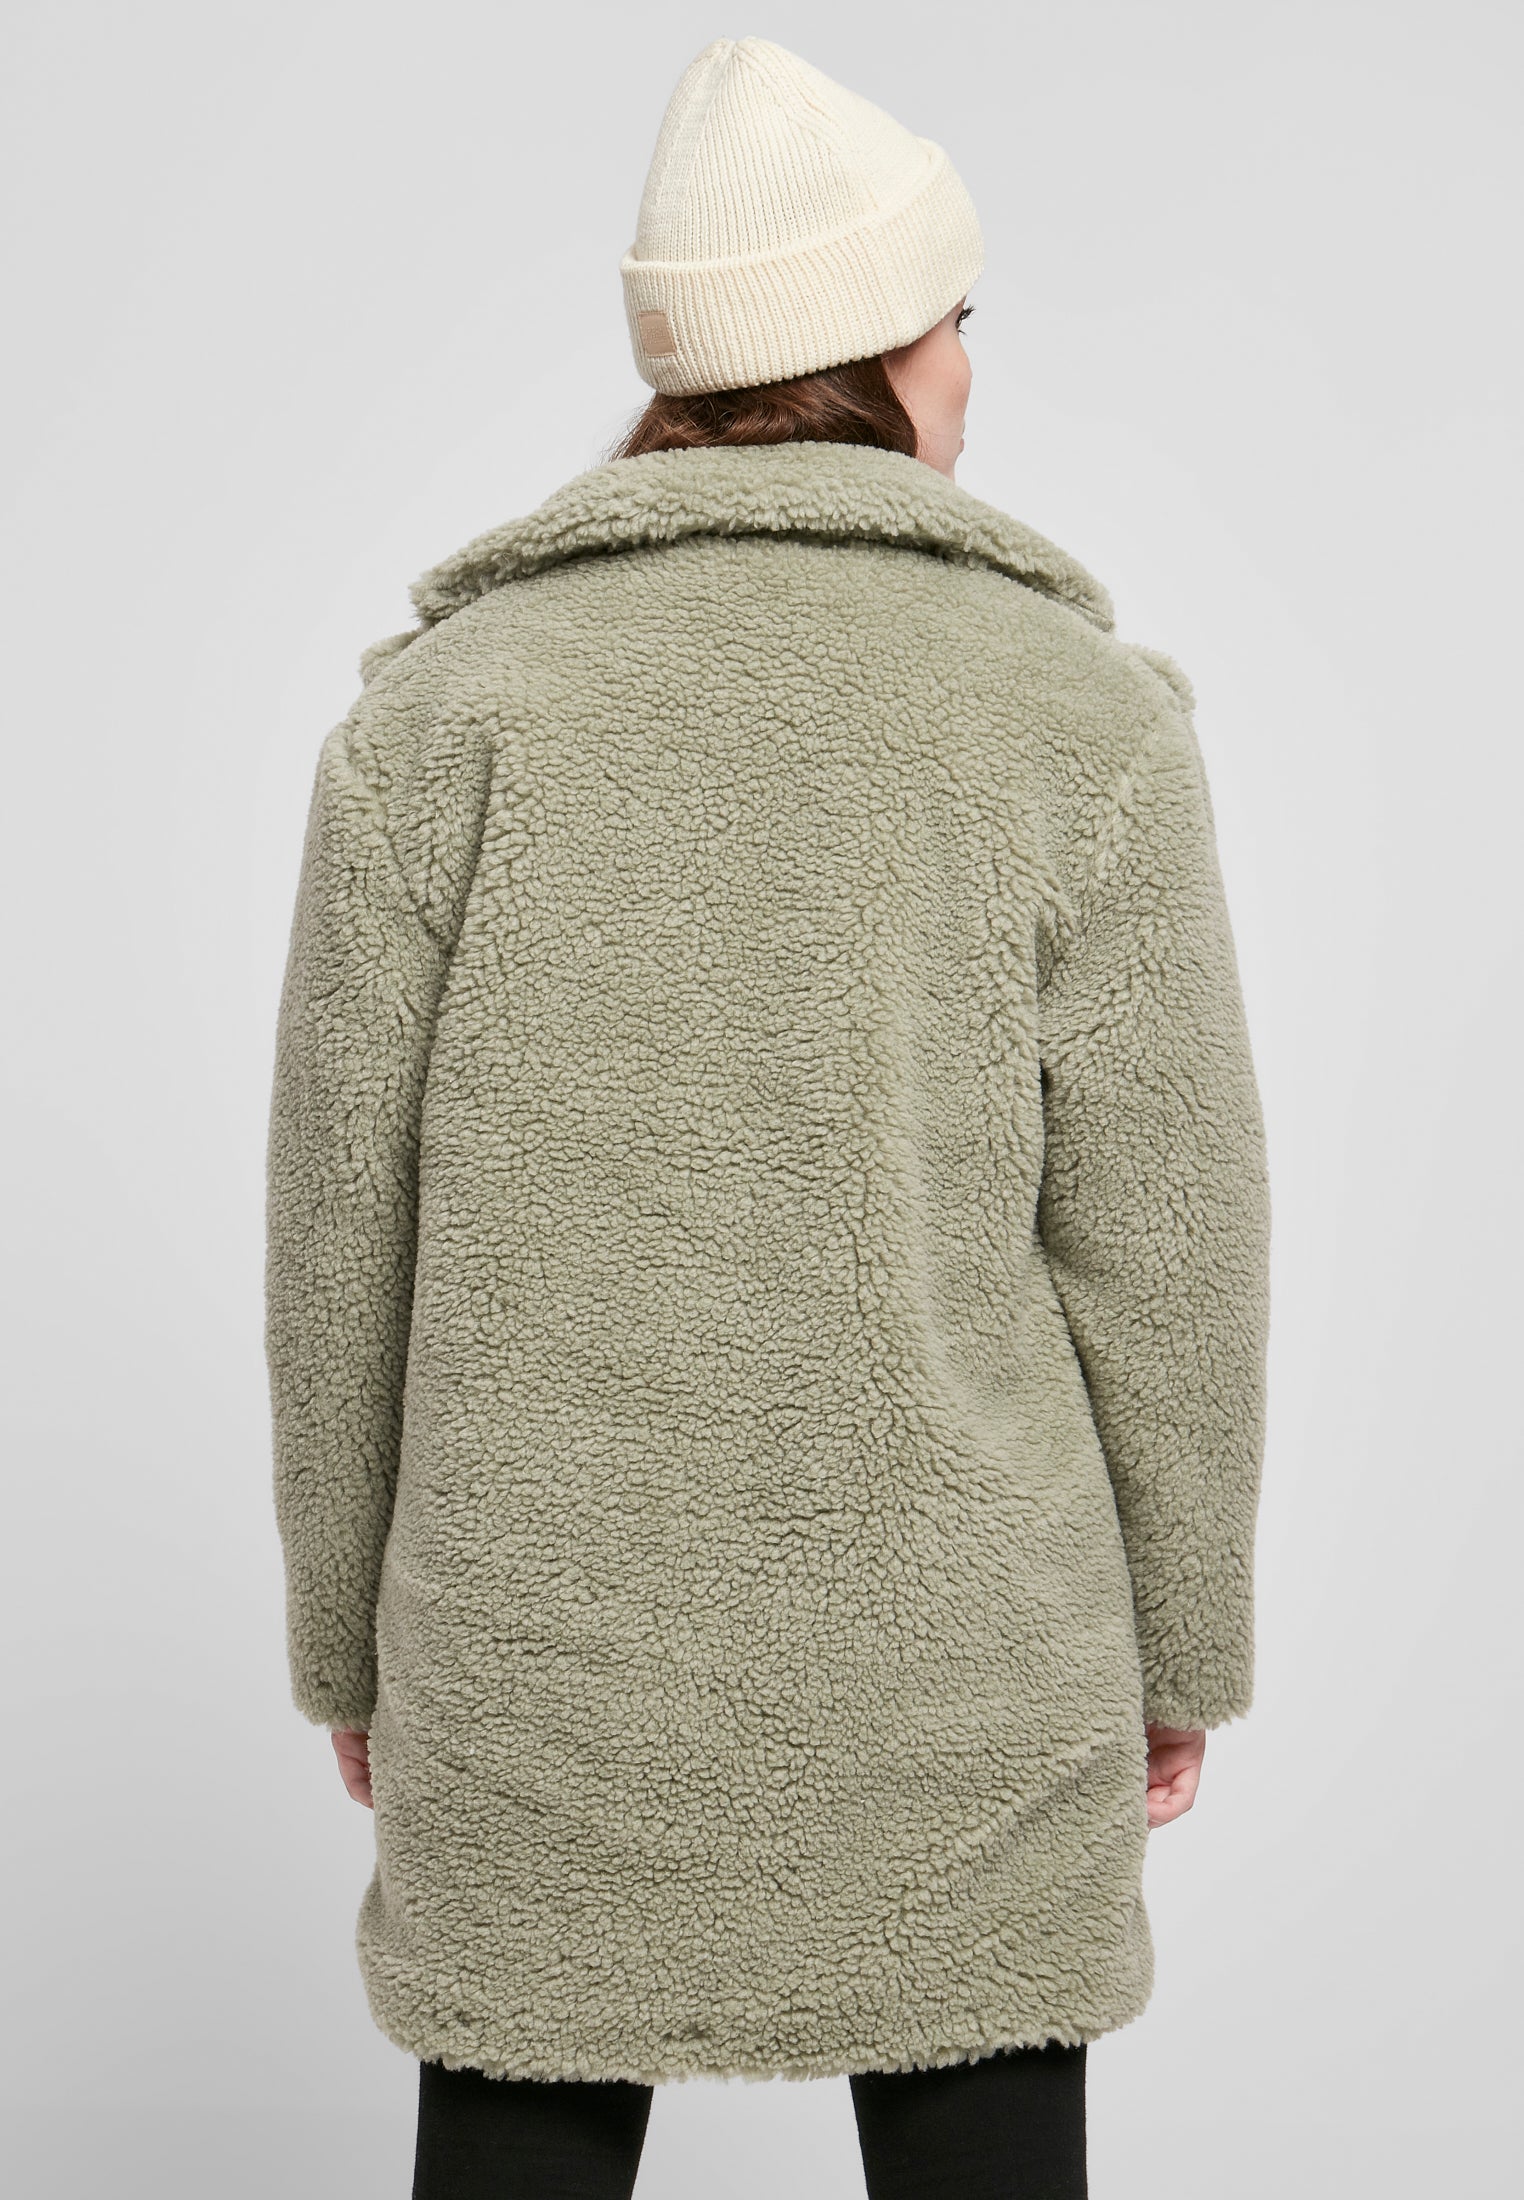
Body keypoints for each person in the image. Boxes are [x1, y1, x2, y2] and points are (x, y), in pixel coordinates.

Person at [265, 36, 1270, 2200]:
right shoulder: (1077, 720)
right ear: (882, 345)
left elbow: (341, 1234)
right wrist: (1188, 1637)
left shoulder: (443, 719)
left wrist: (343, 1634)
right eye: (956, 319)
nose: (972, 370)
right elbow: (1171, 1243)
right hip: (965, 1676)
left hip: (540, 1674)